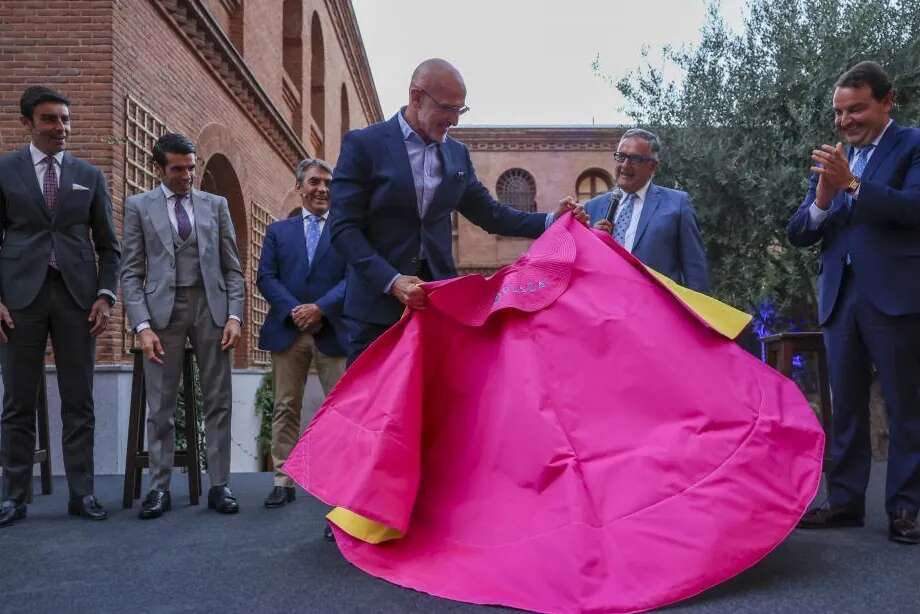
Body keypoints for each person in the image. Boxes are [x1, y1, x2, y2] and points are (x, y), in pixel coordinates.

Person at [329, 58, 587, 363]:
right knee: (370, 408)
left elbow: (491, 215)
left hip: (437, 306)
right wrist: (392, 280)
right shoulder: (364, 145)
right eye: (447, 108)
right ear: (416, 97)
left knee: (435, 405)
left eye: (460, 110)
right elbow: (343, 228)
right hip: (374, 310)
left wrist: (550, 222)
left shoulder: (457, 155)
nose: (454, 120)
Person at [788, 61, 920, 545]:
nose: (845, 121)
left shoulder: (912, 145)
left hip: (897, 296)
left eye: (857, 108)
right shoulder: (835, 158)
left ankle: (907, 508)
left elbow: (914, 208)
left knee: (907, 405)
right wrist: (823, 199)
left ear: (887, 102)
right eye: (839, 112)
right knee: (843, 406)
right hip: (840, 299)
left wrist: (852, 185)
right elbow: (799, 232)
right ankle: (844, 501)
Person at [0, 86, 121, 527]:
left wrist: (106, 296)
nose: (60, 128)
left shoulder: (89, 175)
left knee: (79, 401)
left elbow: (109, 247)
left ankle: (82, 493)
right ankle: (13, 497)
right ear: (27, 123)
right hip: (19, 301)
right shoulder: (5, 170)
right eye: (50, 120)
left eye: (65, 120)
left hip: (77, 301)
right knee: (16, 401)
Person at [121, 132, 245, 519]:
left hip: (211, 308)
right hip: (162, 314)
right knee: (160, 405)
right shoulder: (139, 207)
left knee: (218, 400)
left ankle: (220, 485)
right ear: (160, 168)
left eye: (191, 167)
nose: (187, 175)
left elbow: (234, 269)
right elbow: (130, 273)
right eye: (177, 169)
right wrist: (141, 326)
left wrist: (235, 316)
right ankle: (158, 488)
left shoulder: (217, 205)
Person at [256, 158, 347, 509]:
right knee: (285, 406)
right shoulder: (279, 231)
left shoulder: (345, 229)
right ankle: (283, 479)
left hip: (332, 328)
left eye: (328, 182)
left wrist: (320, 308)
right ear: (299, 187)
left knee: (339, 410)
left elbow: (353, 276)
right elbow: (266, 277)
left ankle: (339, 487)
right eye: (314, 182)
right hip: (288, 329)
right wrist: (297, 311)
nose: (322, 188)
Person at [583, 128, 710, 293]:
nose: (625, 165)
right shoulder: (593, 207)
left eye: (634, 159)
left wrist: (697, 316)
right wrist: (592, 243)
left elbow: (695, 272)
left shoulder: (677, 204)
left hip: (657, 314)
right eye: (621, 157)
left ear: (652, 166)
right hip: (605, 311)